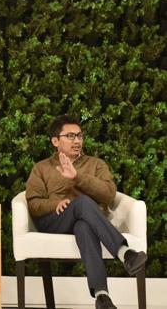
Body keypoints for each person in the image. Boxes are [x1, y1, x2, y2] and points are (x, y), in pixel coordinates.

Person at [25, 115, 147, 309]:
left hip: (89, 223)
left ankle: (102, 296)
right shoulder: (41, 168)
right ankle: (125, 253)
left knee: (83, 226)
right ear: (55, 141)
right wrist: (53, 204)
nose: (77, 141)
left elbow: (108, 194)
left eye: (80, 136)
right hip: (55, 222)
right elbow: (33, 203)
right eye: (71, 136)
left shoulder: (96, 164)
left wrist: (77, 177)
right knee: (82, 202)